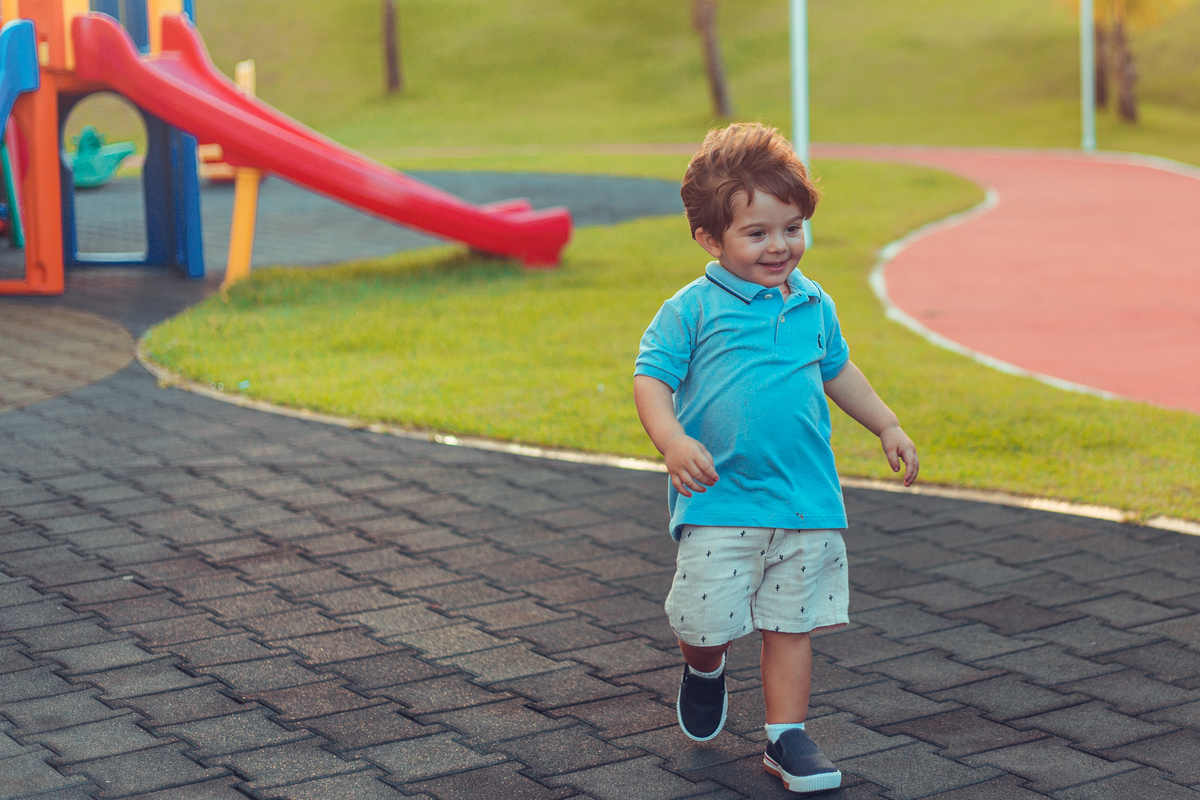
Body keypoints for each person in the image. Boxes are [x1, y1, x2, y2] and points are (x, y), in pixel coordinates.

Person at [633, 122, 919, 794]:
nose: (780, 246)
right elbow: (651, 378)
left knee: (791, 624)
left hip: (804, 498)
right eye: (757, 233)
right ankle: (705, 668)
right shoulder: (691, 311)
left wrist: (887, 424)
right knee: (703, 620)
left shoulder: (815, 303)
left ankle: (786, 738)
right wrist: (673, 441)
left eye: (791, 228)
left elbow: (838, 371)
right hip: (721, 497)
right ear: (710, 239)